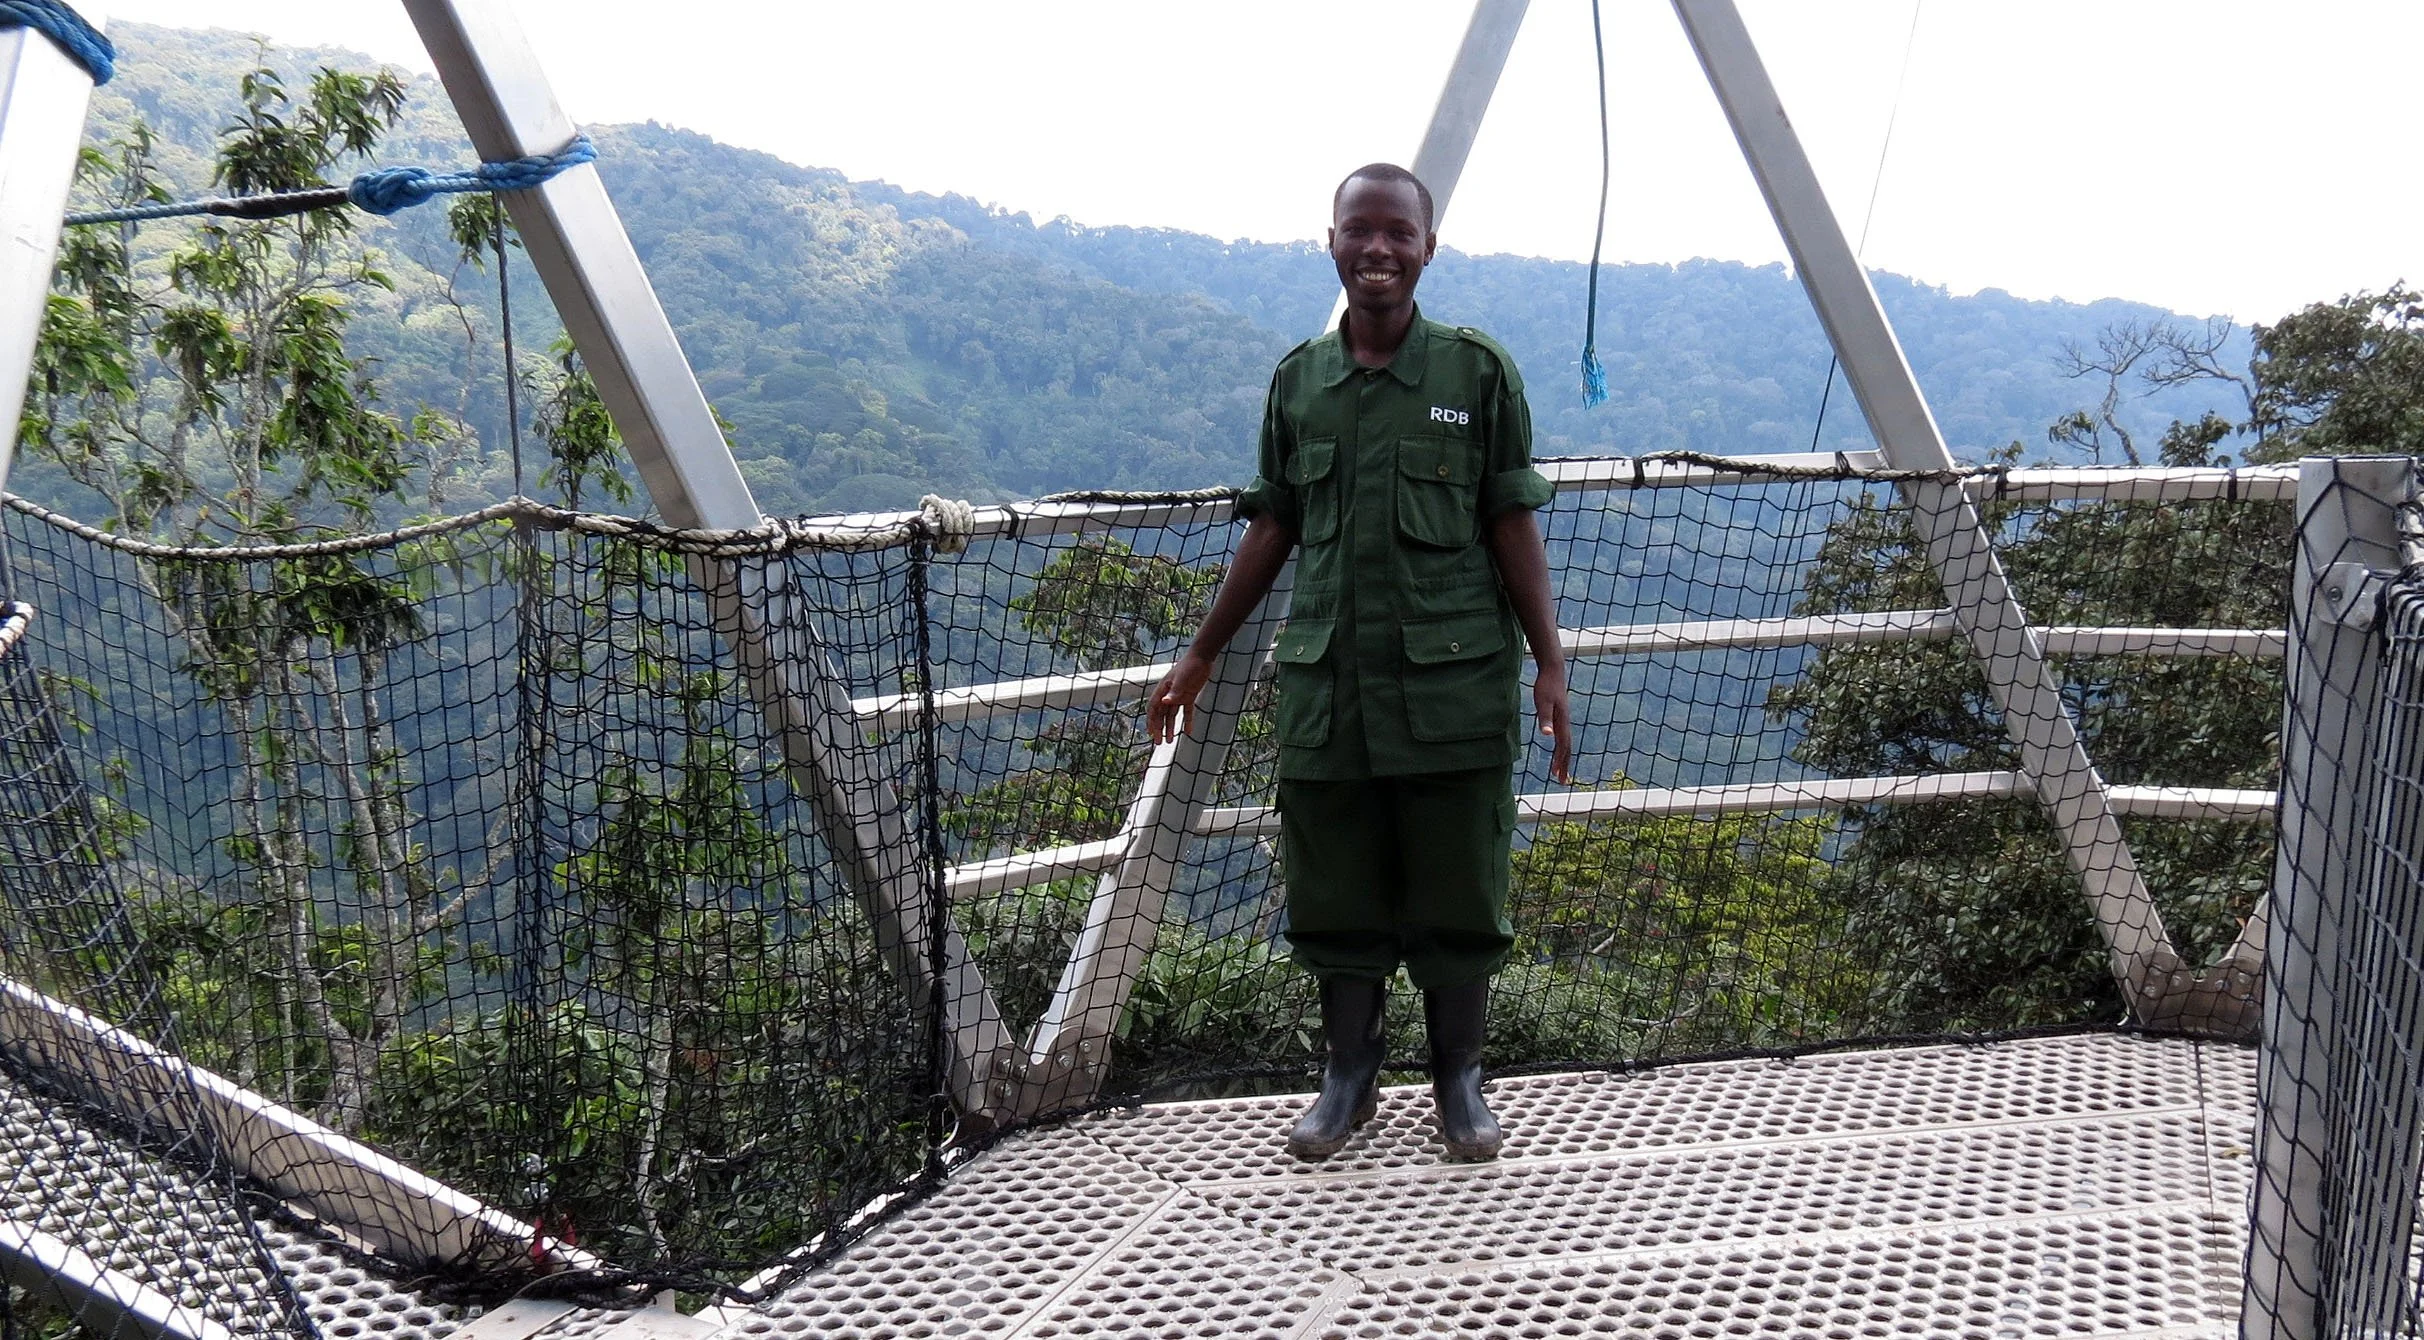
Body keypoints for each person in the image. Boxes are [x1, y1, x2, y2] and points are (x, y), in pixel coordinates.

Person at [1146, 162, 1572, 1162]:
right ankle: (1348, 1076)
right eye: (1358, 231)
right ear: (1330, 241)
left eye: (1397, 233)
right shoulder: (1301, 381)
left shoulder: (1475, 374)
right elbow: (1275, 523)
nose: (1377, 249)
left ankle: (1460, 1078)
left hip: (1453, 686)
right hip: (1328, 688)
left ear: (1429, 248)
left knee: (1459, 881)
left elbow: (1511, 521)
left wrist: (1549, 664)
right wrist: (1202, 651)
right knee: (1334, 880)